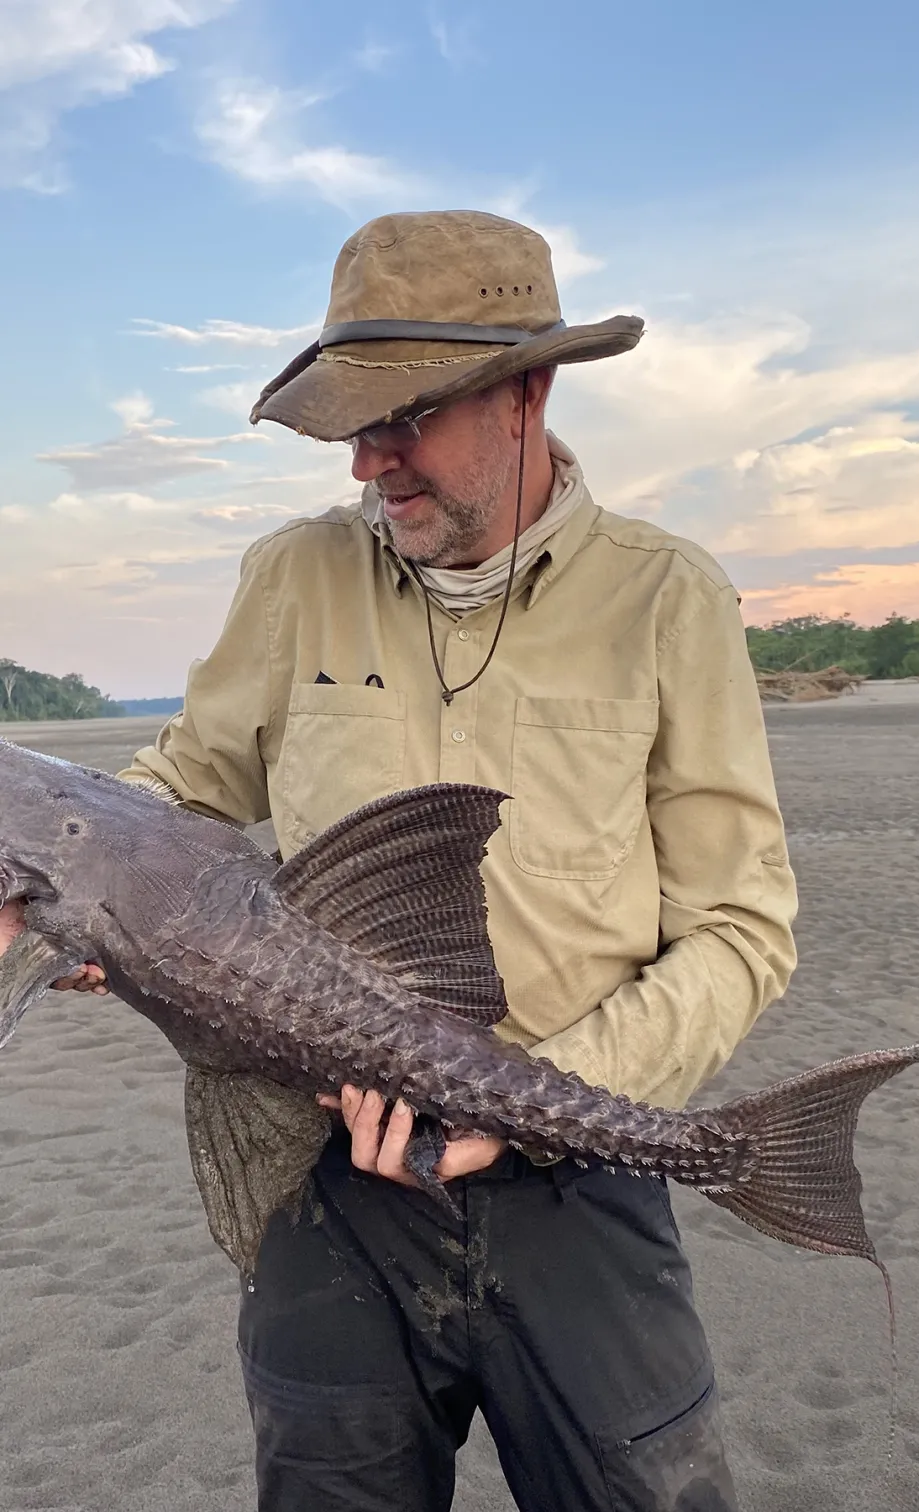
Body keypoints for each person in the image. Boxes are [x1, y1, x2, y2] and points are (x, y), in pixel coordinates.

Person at [57, 211, 797, 1510]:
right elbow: (189, 786)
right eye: (355, 419)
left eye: (407, 414)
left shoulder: (668, 597)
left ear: (530, 390)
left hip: (585, 1187)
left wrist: (537, 1102)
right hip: (320, 1185)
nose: (370, 461)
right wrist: (67, 886)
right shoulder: (293, 578)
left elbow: (742, 926)